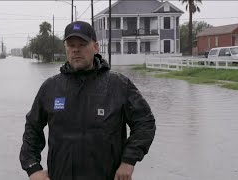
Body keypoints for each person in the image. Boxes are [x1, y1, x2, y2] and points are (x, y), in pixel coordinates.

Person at [19, 21, 156, 180]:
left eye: (82, 44)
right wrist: (33, 168)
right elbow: (32, 127)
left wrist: (128, 161)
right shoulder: (50, 87)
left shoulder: (119, 85)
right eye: (71, 45)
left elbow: (145, 122)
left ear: (96, 47)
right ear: (66, 49)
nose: (76, 49)